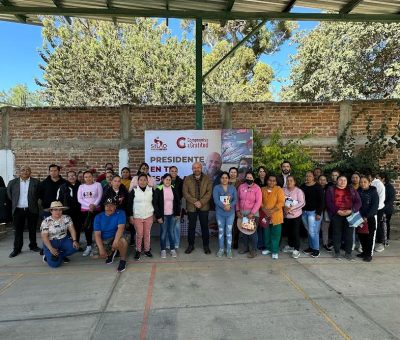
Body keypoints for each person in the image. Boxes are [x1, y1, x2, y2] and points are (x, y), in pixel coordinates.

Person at [7, 165, 41, 258]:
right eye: (23, 170)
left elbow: (38, 194)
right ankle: (17, 249)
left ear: (30, 172)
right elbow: (10, 195)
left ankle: (33, 246)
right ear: (19, 172)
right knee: (18, 230)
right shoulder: (12, 183)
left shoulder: (36, 182)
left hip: (31, 209)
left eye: (27, 170)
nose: (25, 172)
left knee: (32, 229)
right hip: (18, 210)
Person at [326, 175, 361, 260]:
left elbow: (358, 202)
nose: (342, 182)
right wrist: (337, 211)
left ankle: (348, 253)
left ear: (347, 181)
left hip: (350, 214)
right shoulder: (331, 189)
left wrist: (352, 210)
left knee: (349, 234)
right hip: (336, 214)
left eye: (344, 180)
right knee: (336, 234)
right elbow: (328, 202)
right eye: (340, 180)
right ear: (337, 181)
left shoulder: (351, 189)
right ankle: (337, 252)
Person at [182, 162, 212, 254]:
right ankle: (191, 245)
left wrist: (201, 202)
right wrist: (195, 201)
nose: (196, 169)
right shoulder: (187, 179)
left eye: (198, 167)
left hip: (204, 207)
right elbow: (185, 193)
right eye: (194, 168)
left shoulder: (207, 178)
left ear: (201, 168)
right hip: (192, 207)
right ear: (192, 169)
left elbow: (209, 192)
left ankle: (206, 246)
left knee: (204, 227)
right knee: (191, 227)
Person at [92, 197, 128, 272]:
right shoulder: (98, 217)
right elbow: (97, 235)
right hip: (105, 239)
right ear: (104, 207)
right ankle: (111, 252)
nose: (109, 208)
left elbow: (121, 228)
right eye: (107, 206)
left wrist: (115, 242)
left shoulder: (121, 213)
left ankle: (122, 260)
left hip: (117, 236)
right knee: (95, 256)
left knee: (122, 241)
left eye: (112, 205)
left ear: (115, 206)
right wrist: (101, 249)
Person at [40, 201, 79, 267]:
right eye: (55, 210)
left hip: (64, 239)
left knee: (75, 247)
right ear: (51, 211)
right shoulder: (45, 222)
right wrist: (51, 248)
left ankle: (59, 255)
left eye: (60, 210)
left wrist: (75, 240)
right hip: (51, 241)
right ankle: (47, 255)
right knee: (54, 265)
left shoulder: (67, 218)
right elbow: (44, 237)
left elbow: (72, 230)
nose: (58, 212)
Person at [153, 174, 181, 259]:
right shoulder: (158, 189)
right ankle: (163, 250)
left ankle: (172, 249)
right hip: (163, 216)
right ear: (162, 179)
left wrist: (177, 213)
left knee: (171, 233)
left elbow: (177, 202)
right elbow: (155, 204)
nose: (168, 181)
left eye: (169, 179)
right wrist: (158, 217)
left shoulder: (173, 188)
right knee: (163, 233)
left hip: (172, 215)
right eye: (166, 179)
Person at [127, 174, 154, 260]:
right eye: (141, 180)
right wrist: (130, 216)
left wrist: (156, 215)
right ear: (138, 181)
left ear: (147, 181)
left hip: (149, 215)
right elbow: (129, 204)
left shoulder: (151, 190)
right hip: (137, 216)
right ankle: (138, 250)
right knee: (139, 234)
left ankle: (146, 250)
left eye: (144, 180)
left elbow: (155, 203)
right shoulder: (134, 191)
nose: (142, 182)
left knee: (147, 234)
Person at [236, 171, 262, 258]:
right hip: (242, 213)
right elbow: (237, 200)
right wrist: (238, 210)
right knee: (244, 232)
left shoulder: (257, 188)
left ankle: (254, 250)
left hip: (252, 214)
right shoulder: (241, 187)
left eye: (250, 178)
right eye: (247, 177)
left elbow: (258, 202)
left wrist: (252, 213)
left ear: (253, 178)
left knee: (252, 232)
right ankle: (245, 248)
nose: (249, 179)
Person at [77, 171, 103, 257]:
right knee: (87, 228)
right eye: (86, 177)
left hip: (96, 210)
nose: (88, 178)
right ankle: (88, 245)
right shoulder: (81, 186)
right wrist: (89, 205)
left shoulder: (98, 185)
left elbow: (100, 196)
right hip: (85, 210)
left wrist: (94, 205)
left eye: (89, 176)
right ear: (83, 178)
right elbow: (79, 199)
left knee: (97, 228)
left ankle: (98, 245)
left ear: (93, 177)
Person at [213, 171, 237, 258]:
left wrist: (229, 205)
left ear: (228, 179)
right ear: (220, 179)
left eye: (226, 178)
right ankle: (221, 249)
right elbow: (216, 200)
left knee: (229, 232)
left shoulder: (232, 188)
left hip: (230, 213)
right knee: (221, 231)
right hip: (220, 213)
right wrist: (224, 206)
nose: (224, 179)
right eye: (222, 178)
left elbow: (235, 200)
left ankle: (229, 250)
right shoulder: (216, 188)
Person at [300, 171, 324, 258]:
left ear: (313, 177)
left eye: (310, 176)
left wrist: (318, 213)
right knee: (309, 231)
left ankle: (316, 249)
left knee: (313, 232)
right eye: (306, 176)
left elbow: (322, 201)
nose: (307, 178)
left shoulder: (318, 187)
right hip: (304, 212)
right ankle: (310, 247)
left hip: (313, 213)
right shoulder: (303, 186)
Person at [261, 175, 285, 259]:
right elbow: (260, 201)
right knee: (266, 233)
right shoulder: (262, 189)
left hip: (276, 216)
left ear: (276, 182)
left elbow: (281, 202)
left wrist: (271, 211)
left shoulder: (279, 189)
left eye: (274, 180)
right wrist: (264, 210)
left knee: (276, 234)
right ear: (267, 180)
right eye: (270, 180)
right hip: (265, 215)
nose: (271, 182)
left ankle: (275, 251)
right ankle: (268, 248)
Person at [56, 171, 82, 248]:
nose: (71, 177)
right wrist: (59, 211)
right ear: (67, 177)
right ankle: (67, 244)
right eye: (69, 176)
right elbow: (58, 200)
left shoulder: (81, 186)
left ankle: (76, 243)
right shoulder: (63, 187)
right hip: (67, 212)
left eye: (73, 175)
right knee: (66, 229)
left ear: (76, 176)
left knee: (77, 227)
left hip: (78, 211)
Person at [357, 176, 379, 262]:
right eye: (361, 182)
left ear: (369, 183)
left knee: (369, 236)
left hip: (369, 218)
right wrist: (359, 215)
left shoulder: (373, 192)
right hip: (359, 217)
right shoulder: (358, 191)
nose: (362, 184)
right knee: (361, 235)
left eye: (365, 182)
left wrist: (367, 216)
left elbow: (374, 206)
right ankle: (364, 252)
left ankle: (368, 254)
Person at [282, 176, 305, 259]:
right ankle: (291, 246)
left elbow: (302, 203)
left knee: (295, 232)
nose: (289, 182)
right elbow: (281, 200)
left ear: (294, 182)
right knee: (289, 232)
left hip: (296, 216)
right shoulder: (283, 190)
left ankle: (296, 249)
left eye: (291, 180)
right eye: (288, 180)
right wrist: (284, 208)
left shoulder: (298, 191)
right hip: (286, 216)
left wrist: (291, 208)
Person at [167, 166, 184, 249]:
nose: (173, 172)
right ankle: (167, 243)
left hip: (177, 204)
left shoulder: (180, 181)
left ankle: (176, 243)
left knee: (176, 226)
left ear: (177, 172)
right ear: (169, 171)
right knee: (167, 225)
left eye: (175, 171)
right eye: (172, 171)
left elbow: (182, 193)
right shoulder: (165, 180)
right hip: (166, 205)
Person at [378, 172, 396, 244]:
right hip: (380, 208)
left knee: (386, 224)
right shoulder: (379, 186)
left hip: (387, 209)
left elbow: (390, 200)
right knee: (380, 224)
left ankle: (386, 238)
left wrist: (383, 208)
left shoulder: (389, 187)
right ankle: (380, 238)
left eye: (378, 178)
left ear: (383, 179)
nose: (376, 179)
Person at [370, 172, 386, 252]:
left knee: (376, 225)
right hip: (371, 208)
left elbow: (381, 199)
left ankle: (380, 242)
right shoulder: (370, 183)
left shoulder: (378, 184)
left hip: (378, 209)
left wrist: (374, 210)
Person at [318, 175, 332, 252]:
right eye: (320, 179)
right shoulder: (315, 188)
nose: (322, 181)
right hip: (317, 211)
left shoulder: (329, 189)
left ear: (326, 181)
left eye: (324, 180)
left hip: (326, 211)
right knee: (316, 228)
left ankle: (325, 243)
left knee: (325, 228)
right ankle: (315, 244)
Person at [255, 166, 268, 249]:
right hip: (258, 207)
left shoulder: (268, 181)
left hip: (267, 208)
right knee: (259, 226)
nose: (262, 173)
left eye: (263, 171)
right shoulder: (255, 182)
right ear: (258, 173)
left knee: (265, 225)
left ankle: (266, 244)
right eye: (260, 171)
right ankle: (259, 244)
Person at [228, 166, 241, 249]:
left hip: (236, 206)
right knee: (228, 225)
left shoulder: (240, 183)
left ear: (237, 174)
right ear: (229, 173)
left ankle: (235, 241)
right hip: (226, 206)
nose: (233, 174)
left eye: (234, 172)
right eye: (231, 172)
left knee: (236, 225)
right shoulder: (225, 181)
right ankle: (227, 241)